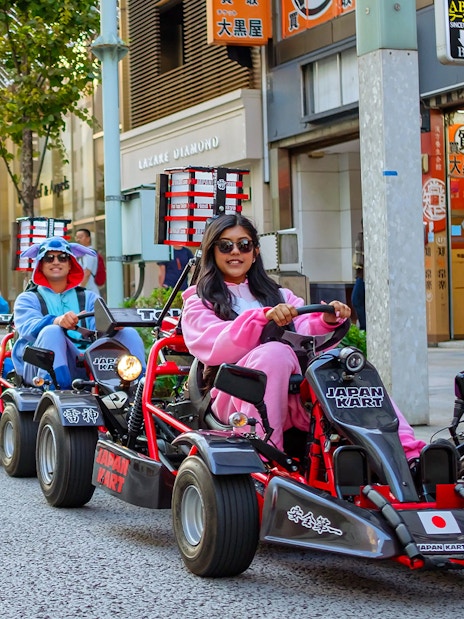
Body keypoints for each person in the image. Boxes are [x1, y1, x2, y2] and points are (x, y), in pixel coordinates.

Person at [181, 214, 426, 460]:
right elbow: (218, 346)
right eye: (225, 246)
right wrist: (262, 318)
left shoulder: (279, 295)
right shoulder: (199, 303)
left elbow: (304, 329)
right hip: (235, 398)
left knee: (343, 366)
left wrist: (325, 320)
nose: (235, 252)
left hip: (294, 397)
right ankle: (264, 456)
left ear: (255, 252)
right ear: (212, 252)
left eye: (243, 245)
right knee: (275, 353)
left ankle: (408, 453)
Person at [12, 236, 146, 389]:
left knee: (129, 333)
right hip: (38, 364)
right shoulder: (28, 298)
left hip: (87, 362)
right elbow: (27, 329)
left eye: (62, 258)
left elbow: (101, 329)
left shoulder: (88, 297)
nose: (56, 262)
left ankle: (138, 389)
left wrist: (112, 327)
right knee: (52, 332)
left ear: (70, 265)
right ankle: (58, 390)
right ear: (40, 265)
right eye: (49, 258)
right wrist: (58, 321)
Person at [75, 228, 100, 295]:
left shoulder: (89, 253)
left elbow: (87, 273)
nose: (78, 240)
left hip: (89, 292)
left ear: (88, 239)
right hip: (85, 291)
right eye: (77, 237)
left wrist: (79, 291)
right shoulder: (80, 254)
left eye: (80, 237)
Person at [351, 223, 366, 330]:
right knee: (357, 300)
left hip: (363, 274)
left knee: (357, 300)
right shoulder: (361, 236)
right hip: (361, 274)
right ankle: (364, 328)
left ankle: (365, 328)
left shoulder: (362, 237)